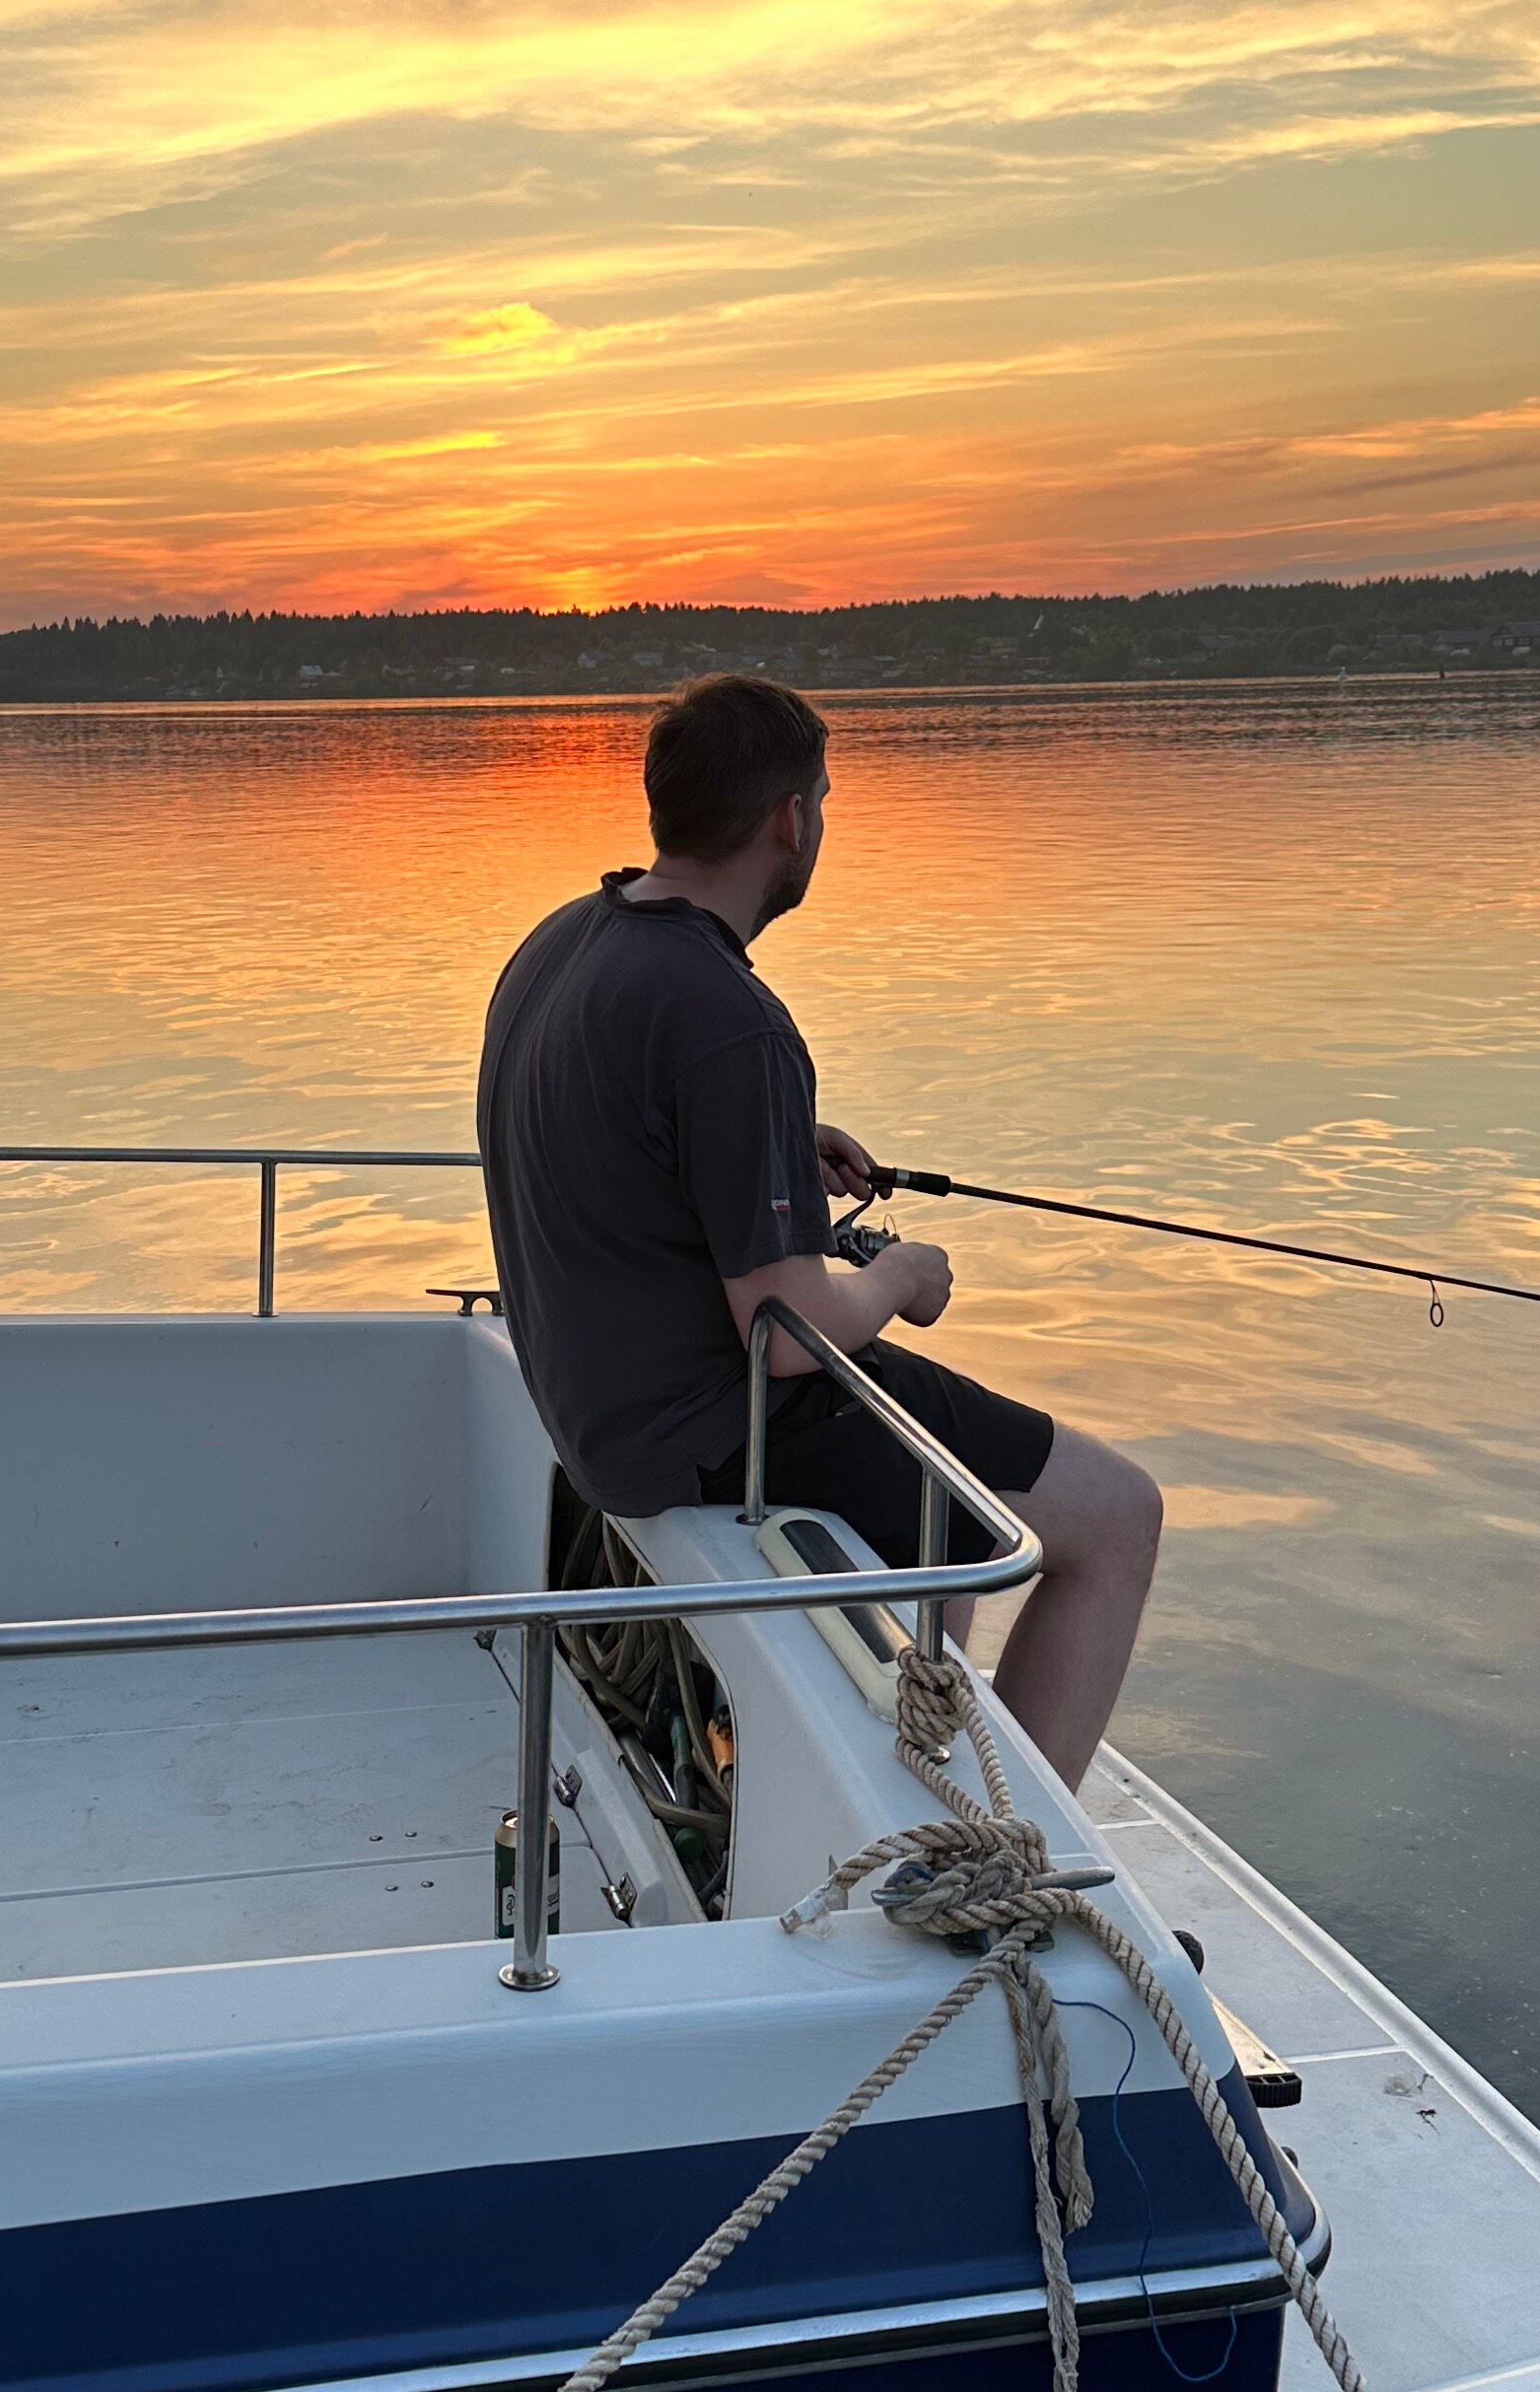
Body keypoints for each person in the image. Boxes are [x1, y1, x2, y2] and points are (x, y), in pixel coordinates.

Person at [476, 671, 1162, 1786]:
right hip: (709, 1427)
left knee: (952, 1500)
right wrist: (899, 1275)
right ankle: (999, 1852)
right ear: (789, 819)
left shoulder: (567, 941)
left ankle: (918, 1763)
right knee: (1115, 1519)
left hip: (593, 1408)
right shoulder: (729, 1019)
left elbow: (617, 1124)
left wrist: (781, 1142)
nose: (823, 827)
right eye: (825, 803)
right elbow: (791, 1332)